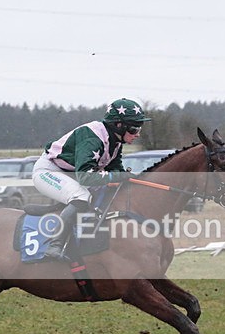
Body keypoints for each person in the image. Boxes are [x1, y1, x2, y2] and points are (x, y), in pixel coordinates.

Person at [32, 98, 150, 261]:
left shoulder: (115, 140)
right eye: (134, 128)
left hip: (71, 173)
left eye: (139, 128)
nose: (137, 134)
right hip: (49, 171)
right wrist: (117, 176)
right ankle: (55, 245)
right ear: (118, 125)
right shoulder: (92, 138)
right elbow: (86, 177)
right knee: (81, 196)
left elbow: (116, 170)